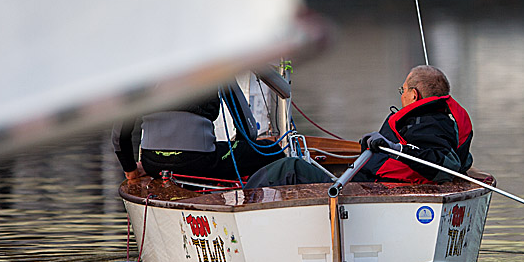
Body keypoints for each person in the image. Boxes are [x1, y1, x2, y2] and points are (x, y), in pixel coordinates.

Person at [242, 65, 474, 188]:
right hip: (370, 182)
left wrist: (395, 147)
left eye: (402, 90)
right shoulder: (442, 120)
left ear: (414, 95)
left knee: (290, 168)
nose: (401, 95)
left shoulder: (427, 121)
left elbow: (445, 163)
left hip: (372, 190)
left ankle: (242, 201)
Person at [113, 81, 284, 183]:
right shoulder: (213, 62)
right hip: (199, 161)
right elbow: (247, 129)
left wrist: (130, 169)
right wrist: (238, 153)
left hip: (153, 164)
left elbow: (119, 134)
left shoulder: (145, 67)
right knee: (272, 150)